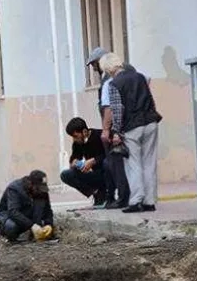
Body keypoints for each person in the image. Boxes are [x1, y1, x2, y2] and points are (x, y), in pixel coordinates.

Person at [100, 52, 162, 213]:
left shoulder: (114, 84)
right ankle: (149, 201)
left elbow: (117, 110)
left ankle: (136, 200)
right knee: (149, 162)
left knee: (133, 164)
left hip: (131, 127)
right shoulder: (140, 77)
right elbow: (150, 99)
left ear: (108, 69)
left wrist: (116, 132)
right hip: (150, 122)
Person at [86, 47, 132, 209]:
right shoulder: (129, 71)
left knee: (115, 163)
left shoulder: (109, 79)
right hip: (127, 124)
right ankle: (130, 197)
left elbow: (108, 107)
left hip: (115, 127)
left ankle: (122, 197)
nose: (93, 68)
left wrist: (107, 130)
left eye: (94, 65)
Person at [0, 170, 54, 243]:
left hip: (27, 215)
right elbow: (13, 212)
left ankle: (33, 234)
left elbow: (48, 210)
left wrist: (49, 224)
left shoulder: (41, 191)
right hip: (9, 216)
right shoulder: (14, 188)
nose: (41, 190)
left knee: (40, 201)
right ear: (31, 184)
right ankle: (5, 233)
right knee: (11, 226)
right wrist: (32, 226)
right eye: (38, 188)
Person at [60, 118, 107, 208]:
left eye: (75, 136)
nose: (74, 139)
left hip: (106, 173)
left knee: (107, 163)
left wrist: (94, 161)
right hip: (91, 173)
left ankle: (107, 193)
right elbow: (74, 157)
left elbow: (109, 156)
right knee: (65, 174)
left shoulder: (99, 136)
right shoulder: (77, 143)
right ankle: (96, 192)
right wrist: (74, 162)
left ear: (84, 132)